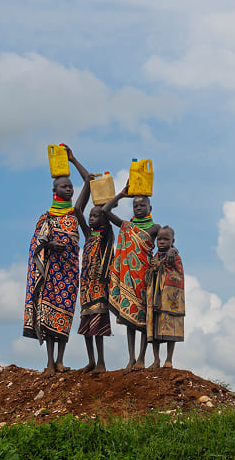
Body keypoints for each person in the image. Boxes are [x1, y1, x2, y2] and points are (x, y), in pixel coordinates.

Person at [22, 148, 82, 375]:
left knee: (64, 315)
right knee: (48, 314)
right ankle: (49, 362)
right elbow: (35, 246)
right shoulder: (45, 218)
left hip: (69, 271)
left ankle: (60, 361)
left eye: (70, 186)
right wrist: (49, 246)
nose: (70, 189)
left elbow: (87, 181)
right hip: (50, 272)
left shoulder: (75, 214)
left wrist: (73, 159)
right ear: (54, 190)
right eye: (65, 186)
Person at [65, 150, 122, 374]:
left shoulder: (107, 235)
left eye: (96, 215)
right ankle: (90, 361)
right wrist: (82, 176)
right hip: (86, 286)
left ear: (104, 219)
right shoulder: (89, 235)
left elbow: (107, 210)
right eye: (91, 215)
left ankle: (101, 363)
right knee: (86, 325)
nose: (91, 217)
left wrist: (118, 197)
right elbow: (77, 209)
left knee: (98, 325)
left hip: (100, 286)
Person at [103, 185, 162, 371]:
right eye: (135, 205)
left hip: (145, 279)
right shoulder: (127, 226)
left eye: (142, 205)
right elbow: (105, 211)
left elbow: (166, 244)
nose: (138, 208)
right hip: (128, 279)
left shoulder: (155, 228)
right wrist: (121, 194)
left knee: (144, 321)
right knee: (129, 320)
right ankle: (131, 358)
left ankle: (142, 359)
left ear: (150, 208)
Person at [144, 225, 184, 369]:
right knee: (154, 328)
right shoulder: (154, 257)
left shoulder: (174, 256)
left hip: (168, 299)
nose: (162, 242)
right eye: (159, 239)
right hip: (154, 298)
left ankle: (169, 360)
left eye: (166, 239)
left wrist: (172, 252)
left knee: (170, 327)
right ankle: (156, 360)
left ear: (172, 240)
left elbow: (177, 275)